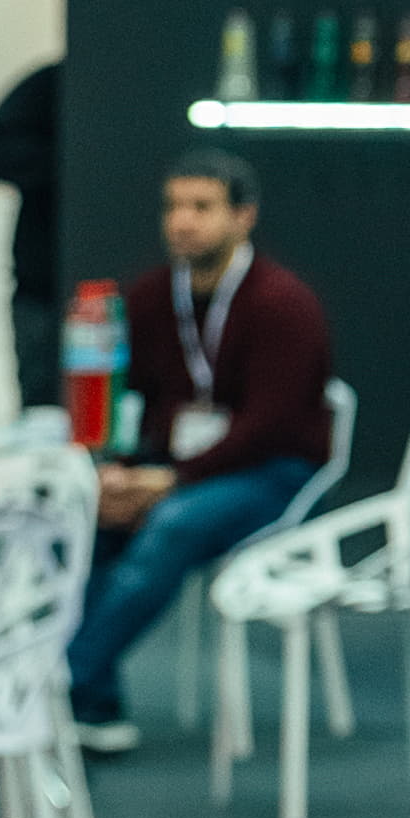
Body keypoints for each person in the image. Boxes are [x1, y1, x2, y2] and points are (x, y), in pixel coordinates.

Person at [61, 150, 337, 752]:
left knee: (171, 525)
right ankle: (94, 703)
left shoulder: (283, 303)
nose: (183, 221)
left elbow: (269, 424)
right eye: (174, 207)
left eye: (202, 207)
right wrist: (115, 472)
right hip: (182, 471)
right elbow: (126, 396)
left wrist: (169, 482)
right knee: (87, 520)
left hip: (273, 473)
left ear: (243, 216)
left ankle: (59, 682)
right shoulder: (152, 296)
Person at [0, 59, 62, 409]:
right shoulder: (53, 82)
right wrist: (68, 161)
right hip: (41, 283)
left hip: (115, 288)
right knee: (41, 408)